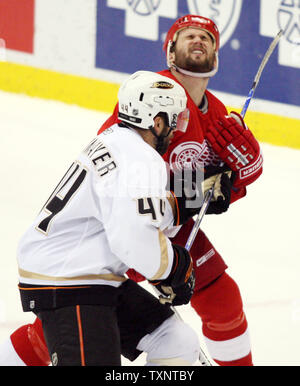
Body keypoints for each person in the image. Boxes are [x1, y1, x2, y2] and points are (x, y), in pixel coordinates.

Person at [0, 14, 262, 367]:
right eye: (188, 36)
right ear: (170, 51)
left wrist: (243, 173)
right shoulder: (147, 115)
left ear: (217, 54)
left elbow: (214, 187)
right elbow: (127, 211)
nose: (198, 41)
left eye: (206, 37)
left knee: (193, 325)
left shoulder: (198, 113)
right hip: (106, 243)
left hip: (138, 229)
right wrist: (171, 267)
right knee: (54, 335)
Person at [7, 70, 200, 366]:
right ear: (156, 121)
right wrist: (174, 269)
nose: (176, 130)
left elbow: (124, 211)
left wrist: (178, 205)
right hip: (70, 279)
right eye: (174, 120)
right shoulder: (140, 158)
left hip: (80, 271)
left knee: (175, 341)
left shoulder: (115, 141)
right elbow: (132, 238)